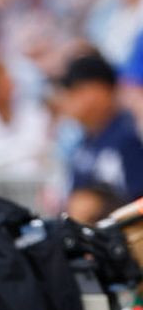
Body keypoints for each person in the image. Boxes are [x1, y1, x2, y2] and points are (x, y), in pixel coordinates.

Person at [57, 52, 143, 223]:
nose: (67, 98)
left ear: (101, 90)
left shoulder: (129, 135)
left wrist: (99, 205)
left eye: (76, 90)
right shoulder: (83, 144)